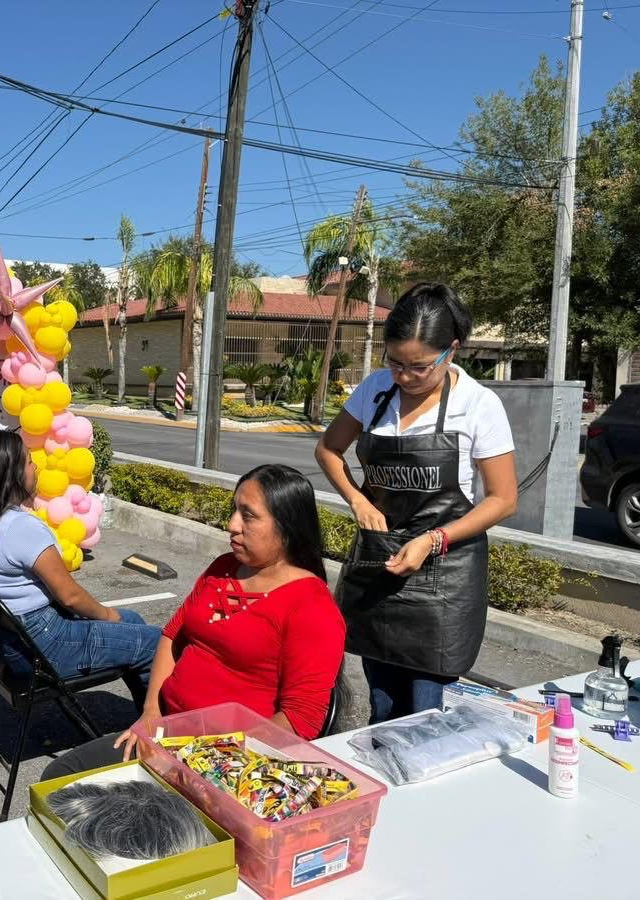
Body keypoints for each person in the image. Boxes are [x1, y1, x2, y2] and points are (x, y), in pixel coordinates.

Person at [42, 464, 345, 779]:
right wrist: (151, 714)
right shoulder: (223, 568)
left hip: (227, 763)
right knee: (62, 775)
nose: (232, 525)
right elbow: (172, 635)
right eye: (234, 511)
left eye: (248, 515)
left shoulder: (311, 605)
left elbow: (301, 720)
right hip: (169, 733)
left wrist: (208, 759)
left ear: (288, 526)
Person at [315, 282, 517, 724]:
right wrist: (357, 500)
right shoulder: (375, 390)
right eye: (395, 363)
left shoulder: (478, 405)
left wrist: (434, 539)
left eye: (419, 367)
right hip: (380, 563)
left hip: (443, 578)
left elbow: (503, 500)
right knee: (382, 705)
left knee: (428, 715)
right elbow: (328, 450)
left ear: (452, 351)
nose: (404, 377)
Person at [0, 430, 159, 704]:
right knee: (156, 642)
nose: (35, 466)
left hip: (14, 643)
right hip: (46, 644)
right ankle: (155, 729)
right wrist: (108, 615)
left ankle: (144, 713)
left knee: (133, 621)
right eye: (28, 461)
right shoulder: (20, 527)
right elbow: (70, 596)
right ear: (11, 476)